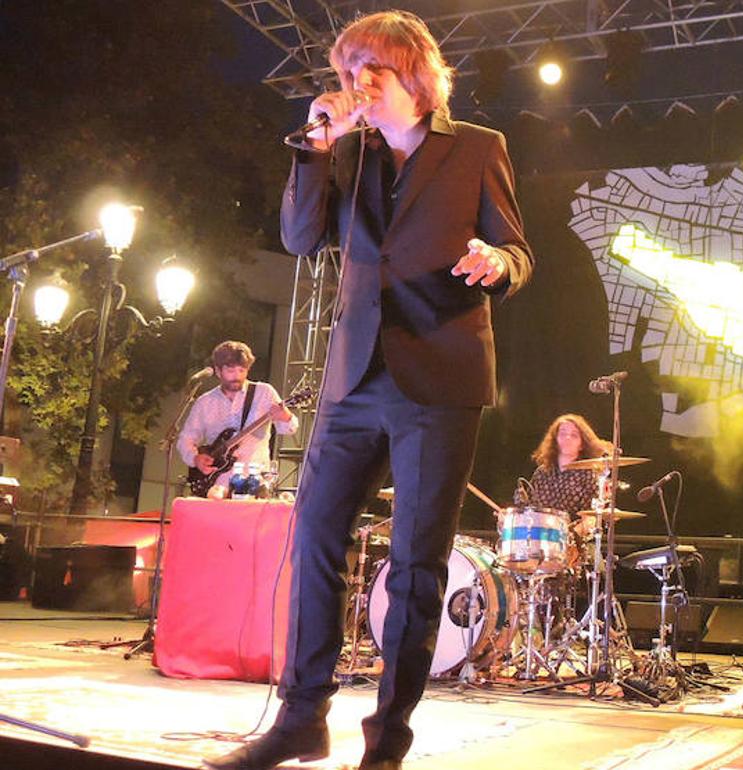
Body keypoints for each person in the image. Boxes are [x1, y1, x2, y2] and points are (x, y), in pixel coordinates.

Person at [204, 10, 532, 770]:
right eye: (350, 71)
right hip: (353, 379)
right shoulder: (348, 153)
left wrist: (497, 263)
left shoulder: (478, 147)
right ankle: (300, 720)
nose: (359, 82)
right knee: (315, 538)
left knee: (417, 563)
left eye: (373, 68)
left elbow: (518, 249)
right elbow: (299, 237)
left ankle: (386, 743)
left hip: (440, 376)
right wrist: (313, 150)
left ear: (414, 72)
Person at [177, 340, 296, 495]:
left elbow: (289, 429)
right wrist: (195, 459)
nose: (237, 376)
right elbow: (185, 439)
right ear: (218, 371)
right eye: (231, 371)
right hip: (216, 483)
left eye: (242, 370)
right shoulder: (205, 402)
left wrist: (286, 416)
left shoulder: (264, 392)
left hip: (255, 481)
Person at [515, 413, 613, 513]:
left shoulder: (588, 475)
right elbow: (530, 511)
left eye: (574, 435)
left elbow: (590, 516)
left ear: (582, 445)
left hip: (572, 523)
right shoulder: (541, 473)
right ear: (555, 440)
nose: (567, 438)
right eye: (562, 433)